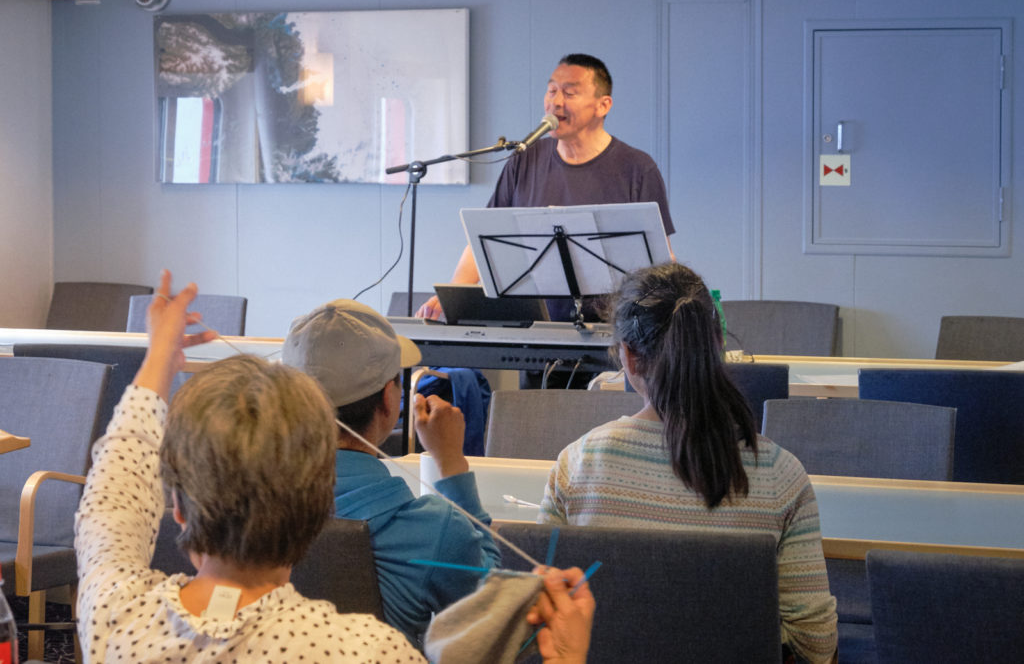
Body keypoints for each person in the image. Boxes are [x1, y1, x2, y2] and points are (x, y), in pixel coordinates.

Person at [75, 271, 594, 663]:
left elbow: (111, 504)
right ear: (307, 513)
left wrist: (156, 364)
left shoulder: (115, 617)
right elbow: (489, 607)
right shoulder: (366, 651)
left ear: (178, 511)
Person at [538, 262, 838, 663]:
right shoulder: (782, 476)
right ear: (716, 346)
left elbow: (543, 613)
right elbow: (816, 647)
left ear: (628, 356)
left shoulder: (577, 465)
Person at [282, 299, 501, 647]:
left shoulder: (242, 509)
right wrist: (451, 465)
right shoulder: (433, 528)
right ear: (390, 400)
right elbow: (494, 618)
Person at [417, 53, 676, 323]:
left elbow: (660, 257)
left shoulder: (637, 168)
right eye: (552, 90)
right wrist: (453, 297)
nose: (556, 102)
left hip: (613, 331)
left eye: (570, 92)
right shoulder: (524, 159)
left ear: (603, 105)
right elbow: (480, 243)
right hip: (532, 326)